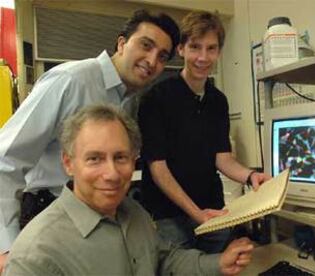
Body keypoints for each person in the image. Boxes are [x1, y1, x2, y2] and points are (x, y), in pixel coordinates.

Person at [0, 9, 180, 271]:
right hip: (50, 214)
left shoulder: (129, 100)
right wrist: (7, 246)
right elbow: (6, 158)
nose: (152, 61)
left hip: (97, 219)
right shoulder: (71, 80)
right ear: (121, 43)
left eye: (162, 56)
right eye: (146, 45)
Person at [3, 104, 254, 276]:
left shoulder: (133, 212)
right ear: (68, 163)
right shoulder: (35, 254)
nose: (112, 174)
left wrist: (218, 263)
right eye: (94, 159)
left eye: (121, 157)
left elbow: (164, 259)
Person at [138, 11, 272, 254]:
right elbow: (158, 169)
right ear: (181, 49)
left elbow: (223, 159)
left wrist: (251, 176)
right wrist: (196, 213)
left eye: (211, 48)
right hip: (169, 216)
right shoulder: (156, 98)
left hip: (213, 210)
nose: (203, 57)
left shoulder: (218, 101)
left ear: (219, 52)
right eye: (195, 47)